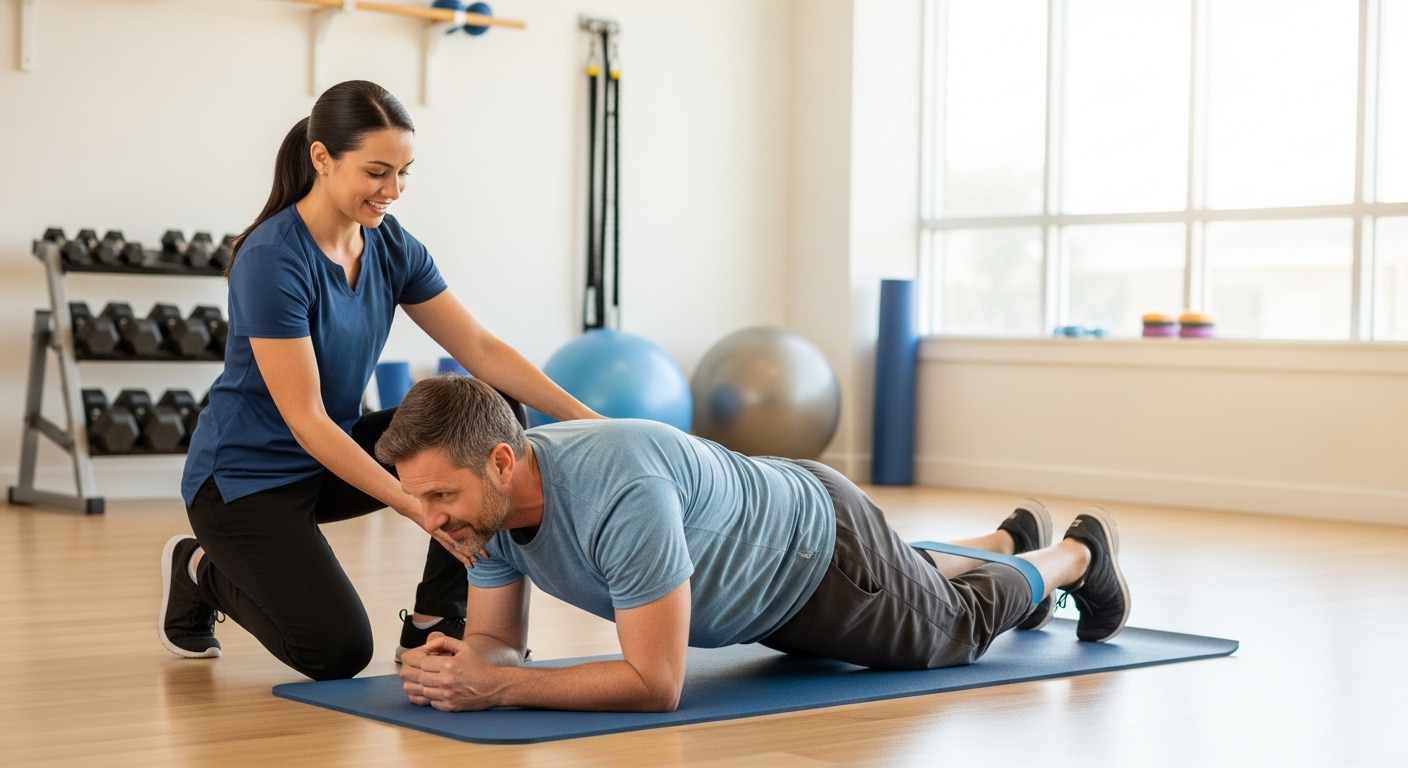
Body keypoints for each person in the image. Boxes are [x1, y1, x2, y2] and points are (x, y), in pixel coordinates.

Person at [157, 81, 598, 681]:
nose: (392, 190)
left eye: (403, 172)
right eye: (376, 172)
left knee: (495, 408)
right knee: (336, 652)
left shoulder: (390, 245)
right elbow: (306, 420)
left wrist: (592, 422)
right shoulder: (271, 259)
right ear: (322, 158)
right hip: (244, 481)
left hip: (330, 460)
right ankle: (199, 570)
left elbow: (480, 349)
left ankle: (436, 619)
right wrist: (415, 505)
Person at [385, 375, 1132, 713]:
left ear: (502, 462)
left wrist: (502, 688)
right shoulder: (483, 513)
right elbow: (496, 641)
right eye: (419, 498)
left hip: (820, 562)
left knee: (953, 628)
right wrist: (465, 667)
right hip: (773, 554)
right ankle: (1006, 537)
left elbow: (655, 684)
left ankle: (1075, 556)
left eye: (440, 496)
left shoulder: (619, 491)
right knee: (908, 582)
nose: (430, 519)